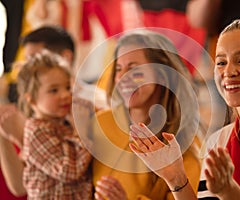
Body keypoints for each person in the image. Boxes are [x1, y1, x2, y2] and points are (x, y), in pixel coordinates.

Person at [129, 11, 240, 199]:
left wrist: (228, 190)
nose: (229, 71)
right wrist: (176, 178)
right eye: (221, 62)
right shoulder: (218, 142)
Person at [91, 30, 202, 199]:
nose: (121, 77)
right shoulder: (100, 122)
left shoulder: (185, 147)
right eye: (119, 69)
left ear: (162, 75)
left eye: (133, 68)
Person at [16, 50, 93, 199]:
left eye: (67, 88)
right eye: (54, 90)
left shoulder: (65, 122)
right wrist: (81, 129)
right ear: (31, 99)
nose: (65, 95)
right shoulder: (36, 131)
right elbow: (69, 171)